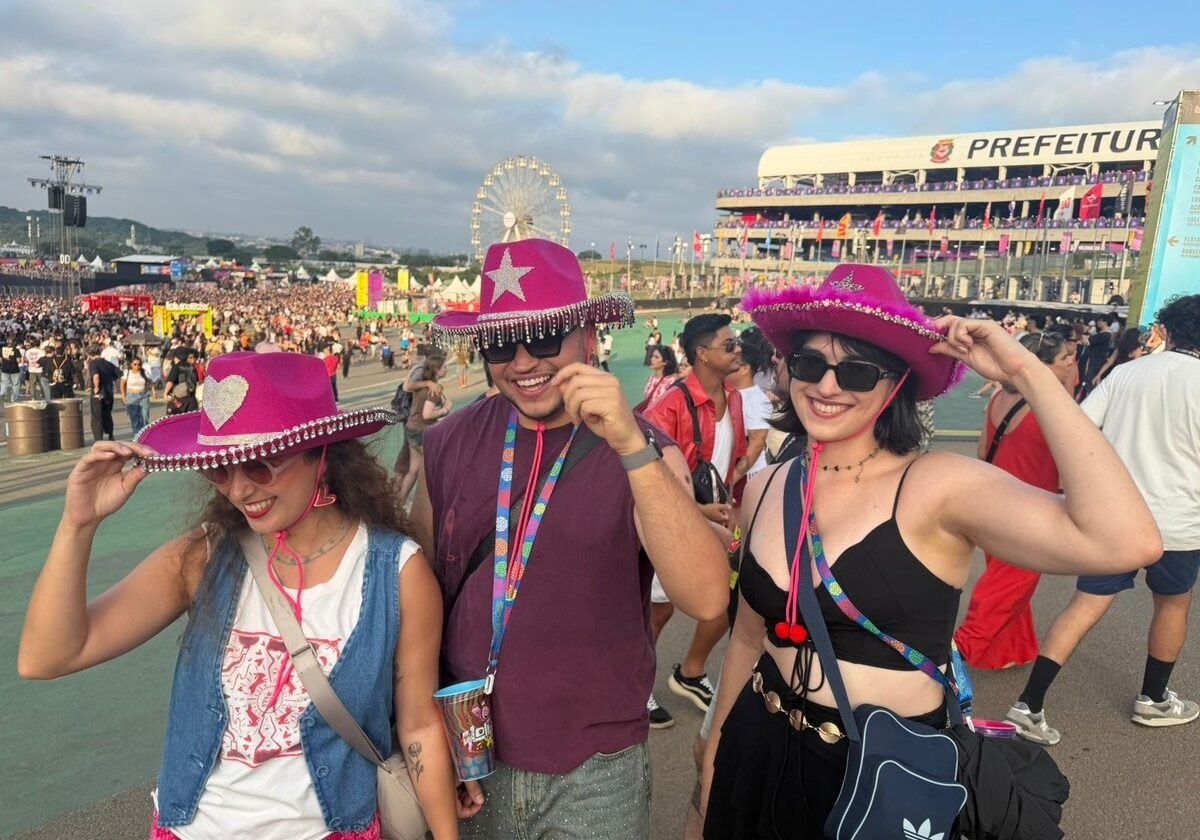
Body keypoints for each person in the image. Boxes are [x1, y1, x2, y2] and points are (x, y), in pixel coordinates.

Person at [699, 264, 1160, 837]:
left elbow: (1125, 541)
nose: (826, 387)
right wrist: (714, 752)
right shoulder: (767, 486)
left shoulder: (937, 485)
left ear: (896, 384)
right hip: (758, 740)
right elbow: (749, 637)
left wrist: (1027, 372)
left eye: (857, 371)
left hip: (880, 770)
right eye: (810, 364)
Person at [18, 351, 463, 839]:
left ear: (321, 454)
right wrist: (78, 524)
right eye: (219, 468)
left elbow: (420, 728)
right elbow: (48, 656)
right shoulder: (203, 557)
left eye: (258, 465)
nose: (238, 489)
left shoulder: (396, 573)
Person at [413, 239, 729, 839]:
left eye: (544, 337)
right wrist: (426, 732)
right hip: (470, 747)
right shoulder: (448, 442)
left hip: (596, 765)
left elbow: (708, 598)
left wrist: (630, 446)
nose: (522, 361)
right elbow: (419, 595)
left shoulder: (646, 451)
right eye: (501, 343)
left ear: (587, 335)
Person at [1006, 294, 1200, 745]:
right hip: (1181, 519)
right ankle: (1153, 699)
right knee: (1173, 605)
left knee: (1085, 604)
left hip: (1116, 515)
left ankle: (1029, 704)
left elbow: (1078, 429)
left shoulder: (1128, 373)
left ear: (1166, 331)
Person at [643, 314, 748, 727]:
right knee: (657, 611)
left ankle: (691, 671)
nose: (738, 349)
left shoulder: (733, 397)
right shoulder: (670, 405)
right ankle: (636, 686)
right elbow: (649, 472)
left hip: (715, 517)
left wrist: (732, 505)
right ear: (702, 354)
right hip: (673, 521)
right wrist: (695, 510)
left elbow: (733, 459)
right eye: (729, 345)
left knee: (728, 596)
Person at [953, 332, 1076, 670]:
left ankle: (1011, 650)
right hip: (1033, 511)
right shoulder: (1049, 406)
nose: (1070, 362)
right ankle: (954, 657)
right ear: (1042, 366)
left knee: (1009, 586)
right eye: (1063, 358)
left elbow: (983, 451)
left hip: (995, 503)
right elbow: (1072, 461)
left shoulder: (998, 398)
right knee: (1004, 590)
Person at [397, 349, 452, 504]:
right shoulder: (434, 390)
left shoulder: (421, 386)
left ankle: (399, 502)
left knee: (413, 470)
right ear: (436, 370)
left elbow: (408, 386)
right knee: (434, 468)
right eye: (444, 367)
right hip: (423, 431)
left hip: (412, 427)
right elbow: (427, 414)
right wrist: (445, 409)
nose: (446, 369)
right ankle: (432, 503)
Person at [86, 344, 120, 442]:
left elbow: (96, 376)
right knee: (107, 414)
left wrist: (96, 388)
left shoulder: (93, 363)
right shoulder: (108, 363)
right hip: (108, 392)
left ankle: (98, 438)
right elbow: (117, 374)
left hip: (99, 393)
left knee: (97, 416)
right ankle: (110, 434)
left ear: (90, 355)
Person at [640, 344, 681, 411]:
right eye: (652, 356)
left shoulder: (671, 381)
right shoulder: (651, 379)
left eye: (656, 357)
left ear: (665, 362)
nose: (652, 359)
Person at [121, 357, 153, 436]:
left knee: (145, 415)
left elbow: (150, 382)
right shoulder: (127, 372)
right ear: (131, 364)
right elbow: (122, 384)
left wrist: (153, 391)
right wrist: (123, 396)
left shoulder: (144, 372)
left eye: (139, 364)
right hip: (131, 396)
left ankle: (145, 434)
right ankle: (137, 435)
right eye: (135, 364)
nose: (137, 366)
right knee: (134, 417)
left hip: (144, 395)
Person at [163, 351, 200, 416]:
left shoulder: (176, 367)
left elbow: (170, 381)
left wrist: (165, 393)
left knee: (174, 420)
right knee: (190, 419)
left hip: (179, 399)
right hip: (191, 399)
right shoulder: (192, 367)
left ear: (176, 357)